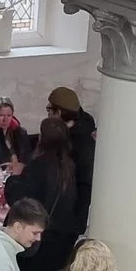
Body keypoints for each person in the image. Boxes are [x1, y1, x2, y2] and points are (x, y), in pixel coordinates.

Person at [6, 117, 80, 271]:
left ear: (42, 138)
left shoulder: (39, 166)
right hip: (62, 239)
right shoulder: (69, 166)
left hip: (41, 239)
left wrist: (13, 179)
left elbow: (22, 202)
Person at [44, 86, 98, 239]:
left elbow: (81, 181)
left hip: (67, 215)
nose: (47, 113)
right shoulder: (84, 131)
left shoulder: (75, 143)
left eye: (49, 109)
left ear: (58, 112)